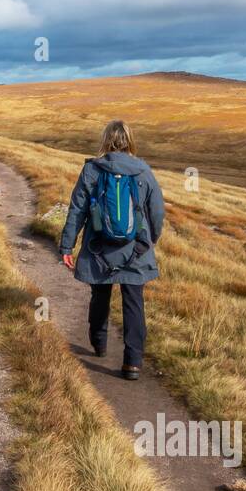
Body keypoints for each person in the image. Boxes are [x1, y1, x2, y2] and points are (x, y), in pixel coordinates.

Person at [59, 119, 165, 380]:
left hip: (99, 248)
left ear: (105, 140)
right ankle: (133, 363)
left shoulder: (92, 170)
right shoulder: (143, 171)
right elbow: (157, 212)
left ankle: (99, 342)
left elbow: (77, 211)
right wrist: (150, 240)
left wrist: (67, 245)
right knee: (133, 302)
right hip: (135, 250)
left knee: (100, 295)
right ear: (130, 140)